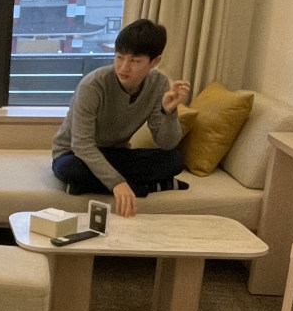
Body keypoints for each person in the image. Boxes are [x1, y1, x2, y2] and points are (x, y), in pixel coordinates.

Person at [50, 18, 191, 218]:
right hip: (73, 154)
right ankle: (148, 187)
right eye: (119, 57)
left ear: (155, 61)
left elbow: (167, 143)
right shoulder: (94, 85)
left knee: (174, 160)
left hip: (116, 154)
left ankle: (83, 186)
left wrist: (168, 112)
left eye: (135, 61)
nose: (124, 67)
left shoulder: (159, 85)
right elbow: (81, 144)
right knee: (71, 170)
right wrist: (117, 183)